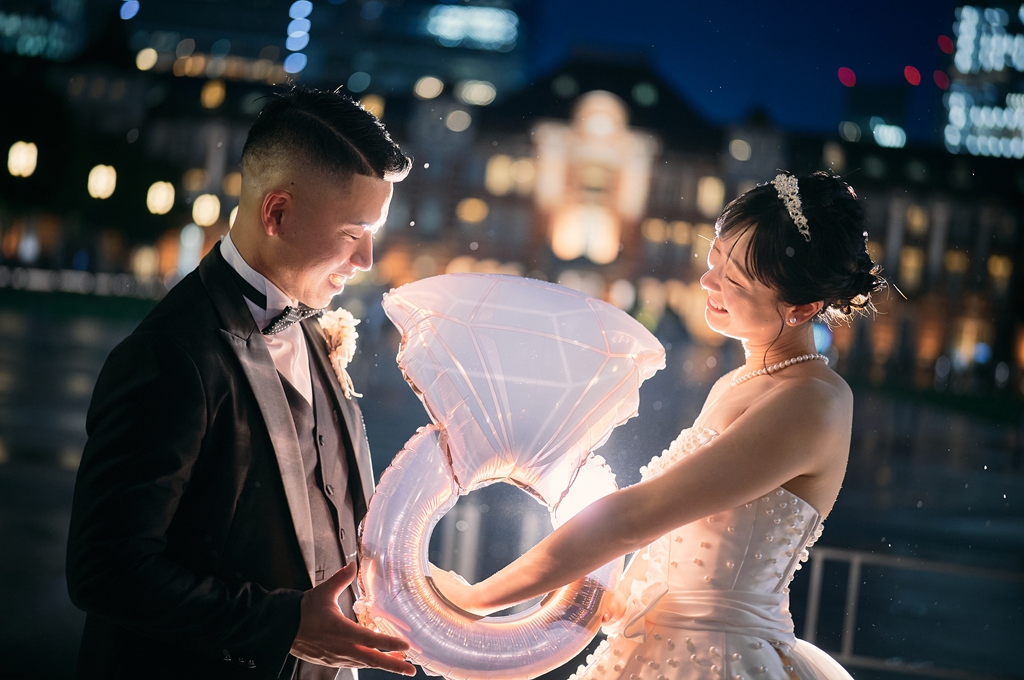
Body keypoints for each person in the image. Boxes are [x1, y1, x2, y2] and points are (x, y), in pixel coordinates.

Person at [432, 171, 884, 679]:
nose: (708, 282)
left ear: (801, 308)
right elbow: (680, 528)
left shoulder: (812, 401)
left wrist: (475, 599)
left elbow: (636, 517)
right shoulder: (737, 382)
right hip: (651, 647)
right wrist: (625, 591)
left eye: (735, 280)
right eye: (714, 259)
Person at [66, 86, 417, 680]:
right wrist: (283, 626)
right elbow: (105, 572)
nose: (366, 260)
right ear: (276, 213)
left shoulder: (314, 328)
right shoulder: (169, 355)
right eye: (353, 232)